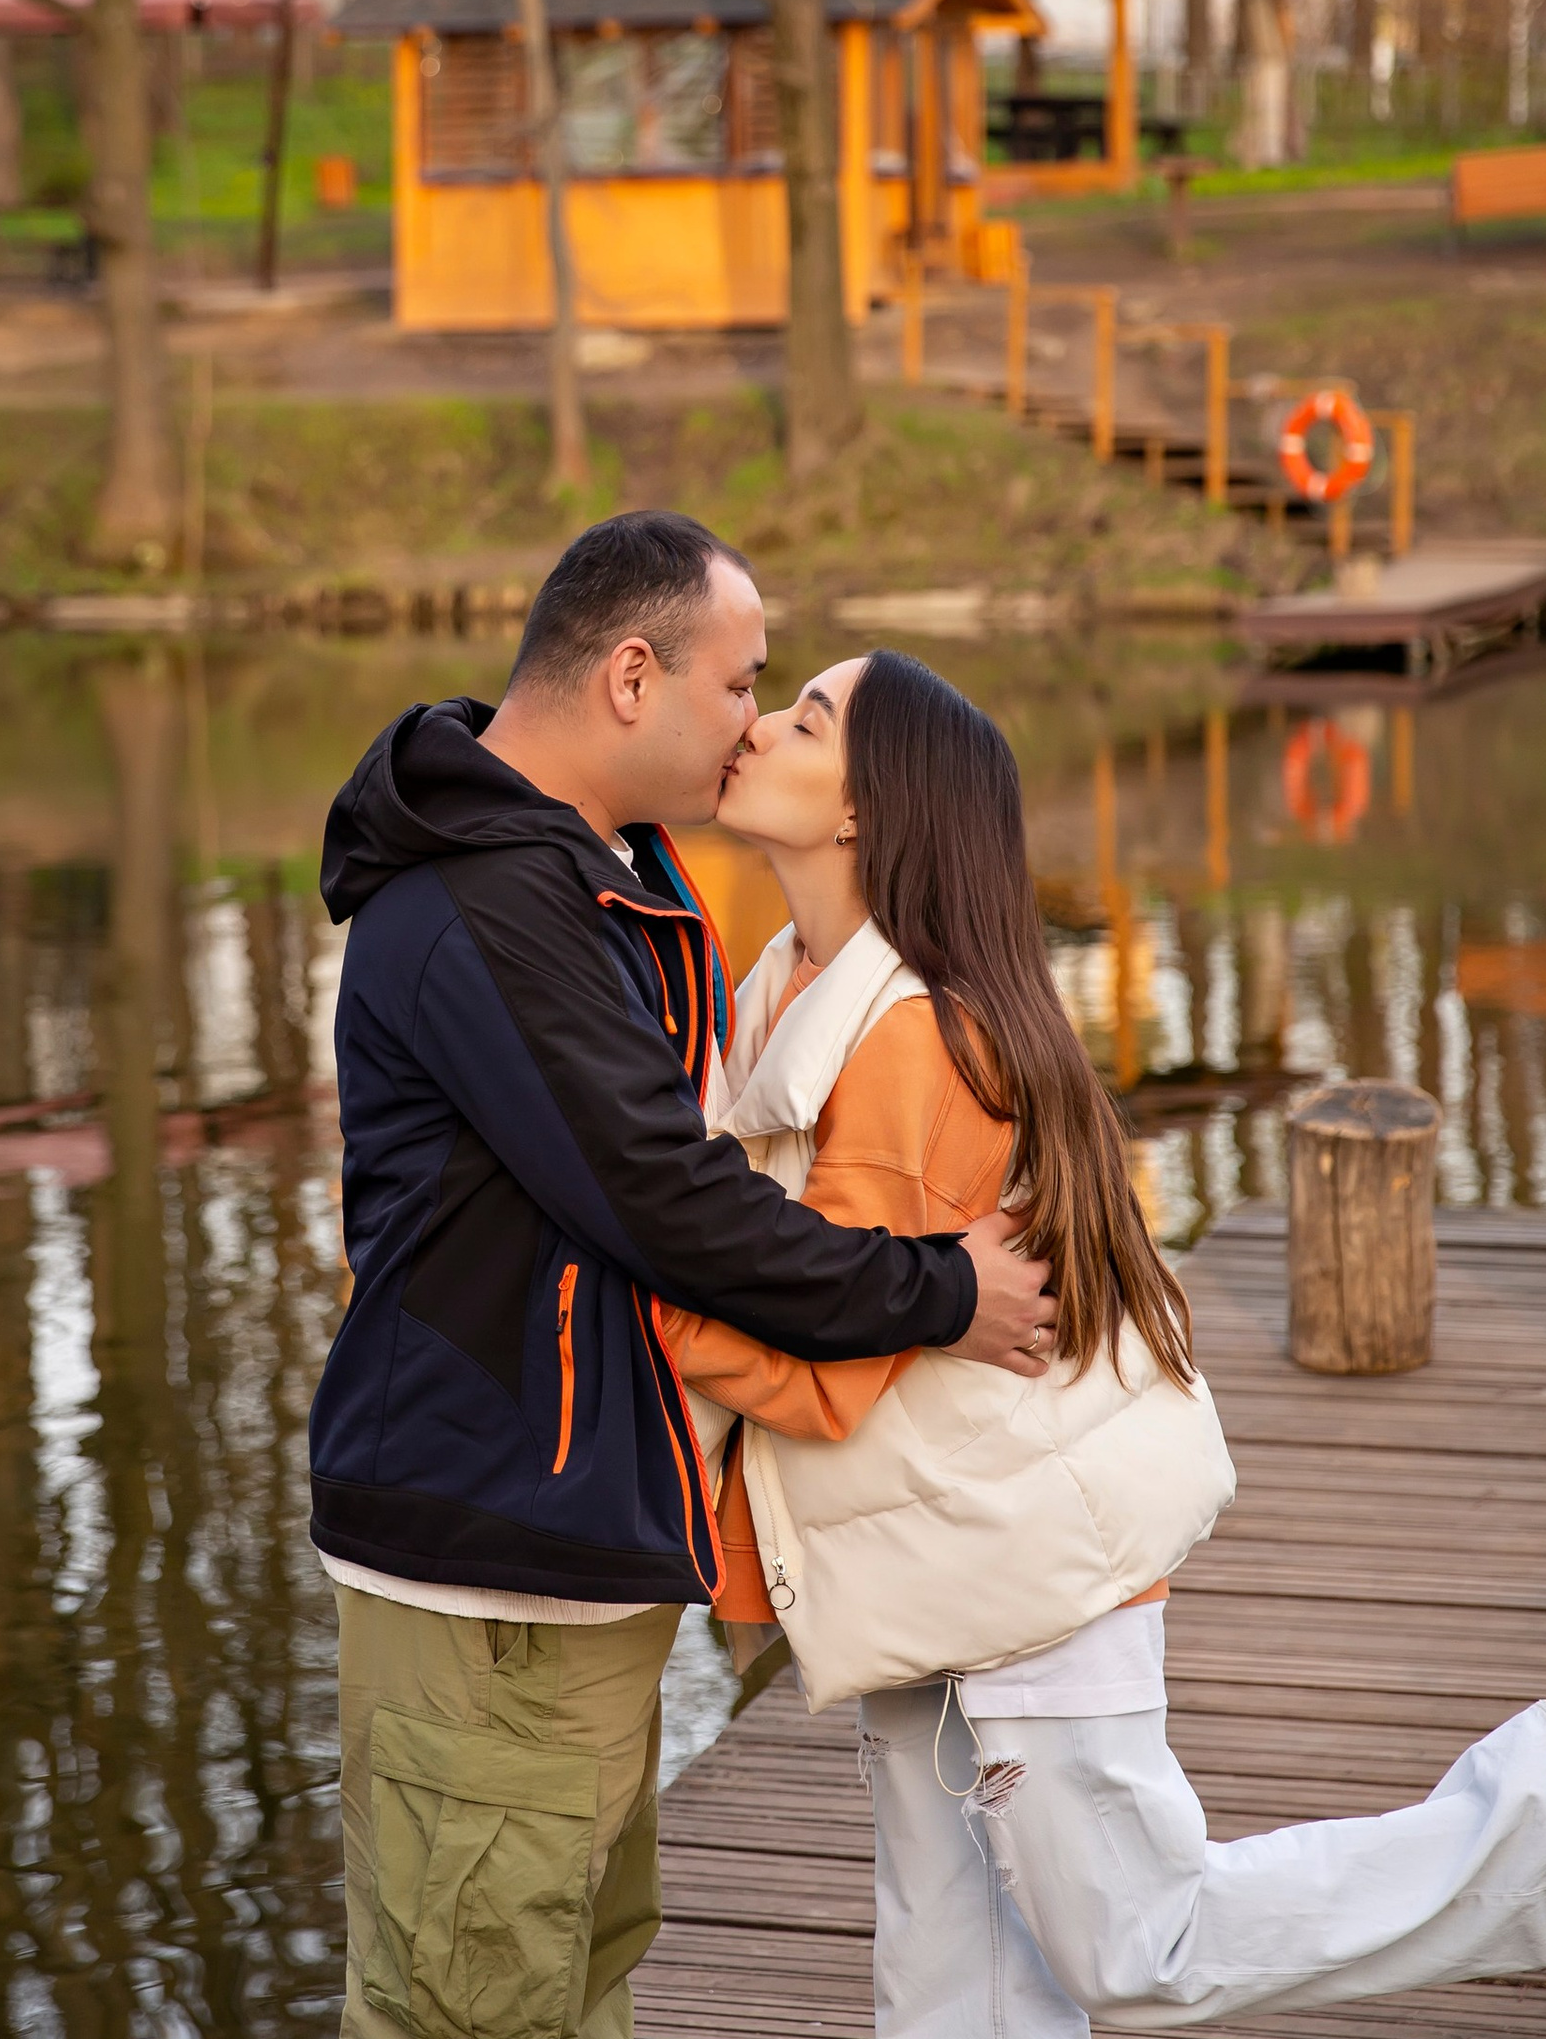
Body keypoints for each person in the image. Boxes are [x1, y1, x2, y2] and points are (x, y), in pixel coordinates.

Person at [664, 647, 1546, 2038]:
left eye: (806, 715)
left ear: (866, 811)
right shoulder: (784, 992)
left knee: (1143, 1946)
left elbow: (819, 1365)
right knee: (955, 1974)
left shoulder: (906, 1044)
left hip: (1023, 1562)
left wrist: (623, 1309)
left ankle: (1544, 1817)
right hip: (930, 1549)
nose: (759, 726)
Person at [311, 515, 1060, 2039]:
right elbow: (671, 1204)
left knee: (576, 1972)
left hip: (582, 1551)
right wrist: (939, 1290)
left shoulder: (611, 872)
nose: (750, 725)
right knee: (473, 2002)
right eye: (742, 685)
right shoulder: (484, 904)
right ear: (634, 675)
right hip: (491, 1558)